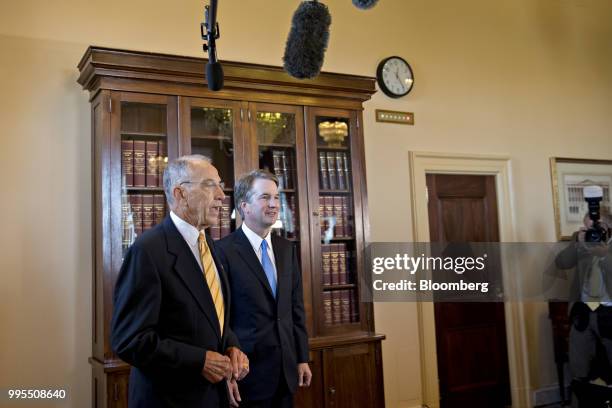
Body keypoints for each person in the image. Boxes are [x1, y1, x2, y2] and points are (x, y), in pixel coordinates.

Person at [111, 155, 249, 407]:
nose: (221, 194)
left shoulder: (212, 248)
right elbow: (130, 340)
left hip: (211, 397)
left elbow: (213, 317)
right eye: (210, 185)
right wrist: (198, 361)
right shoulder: (148, 250)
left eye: (220, 184)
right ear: (180, 193)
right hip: (168, 399)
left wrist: (231, 346)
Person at [216, 170, 311, 408]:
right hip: (246, 376)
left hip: (286, 373)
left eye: (276, 198)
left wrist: (301, 358)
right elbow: (220, 318)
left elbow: (295, 309)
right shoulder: (222, 252)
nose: (274, 204)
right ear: (244, 206)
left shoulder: (286, 249)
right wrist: (226, 371)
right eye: (265, 197)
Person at [555, 209, 612, 405]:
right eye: (586, 228)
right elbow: (561, 263)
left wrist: (604, 255)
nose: (590, 233)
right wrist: (577, 243)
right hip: (584, 312)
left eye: (594, 228)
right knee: (579, 367)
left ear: (607, 227)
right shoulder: (582, 241)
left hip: (609, 312)